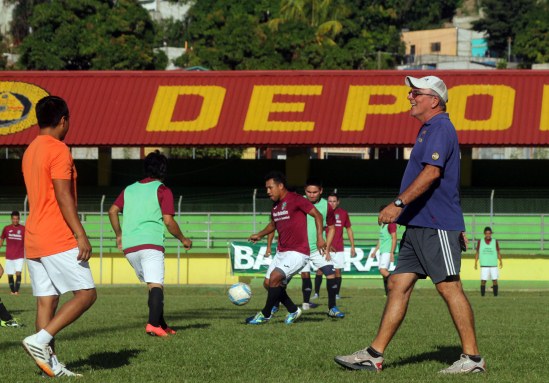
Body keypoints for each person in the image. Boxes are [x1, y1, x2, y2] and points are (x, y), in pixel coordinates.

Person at [334, 75, 486, 374]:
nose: (410, 97)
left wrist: (398, 204)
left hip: (436, 223)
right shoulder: (428, 129)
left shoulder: (440, 127)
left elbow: (432, 174)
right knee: (397, 284)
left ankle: (473, 360)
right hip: (418, 225)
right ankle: (374, 355)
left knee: (449, 286)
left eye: (416, 93)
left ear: (435, 100)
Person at [21, 95, 97, 377]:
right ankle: (39, 341)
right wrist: (80, 234)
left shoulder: (30, 150)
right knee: (87, 294)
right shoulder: (59, 149)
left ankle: (48, 365)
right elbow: (63, 195)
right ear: (63, 120)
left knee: (47, 300)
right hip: (57, 235)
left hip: (34, 237)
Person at [109, 150, 192, 337]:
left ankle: (161, 324)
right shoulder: (162, 190)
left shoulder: (129, 189)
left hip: (130, 248)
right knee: (156, 285)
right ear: (164, 170)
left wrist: (119, 235)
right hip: (150, 244)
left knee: (152, 285)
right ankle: (153, 324)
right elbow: (169, 221)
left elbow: (112, 211)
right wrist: (183, 239)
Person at [246, 171, 325, 325]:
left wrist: (320, 238)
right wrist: (260, 234)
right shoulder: (275, 206)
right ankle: (293, 310)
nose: (268, 191)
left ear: (280, 186)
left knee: (275, 278)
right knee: (268, 284)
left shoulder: (296, 199)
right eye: (266, 188)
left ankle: (265, 314)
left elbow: (317, 215)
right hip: (281, 252)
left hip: (298, 252)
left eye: (270, 188)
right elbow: (273, 224)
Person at [313, 192, 356, 301]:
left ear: (338, 202)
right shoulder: (322, 212)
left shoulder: (343, 213)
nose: (331, 203)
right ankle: (316, 293)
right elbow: (318, 230)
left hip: (338, 249)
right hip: (325, 248)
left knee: (337, 271)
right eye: (329, 201)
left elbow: (349, 229)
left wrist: (352, 246)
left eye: (334, 201)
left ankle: (336, 294)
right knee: (320, 270)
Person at [370, 205, 397, 296]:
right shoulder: (382, 225)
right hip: (383, 251)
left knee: (383, 270)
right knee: (383, 272)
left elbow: (394, 238)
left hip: (387, 251)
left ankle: (396, 284)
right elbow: (381, 240)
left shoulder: (391, 224)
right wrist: (375, 251)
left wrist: (392, 253)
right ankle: (388, 293)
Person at [0, 211, 26, 295]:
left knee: (18, 272)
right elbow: (2, 239)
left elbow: (28, 240)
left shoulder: (23, 229)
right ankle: (12, 290)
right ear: (11, 219)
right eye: (14, 219)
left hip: (19, 255)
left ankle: (16, 291)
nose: (15, 220)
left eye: (17, 219)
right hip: (9, 255)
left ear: (19, 219)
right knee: (10, 274)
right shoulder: (7, 228)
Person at [474, 226, 502, 297]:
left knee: (495, 280)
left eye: (489, 233)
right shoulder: (480, 241)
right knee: (483, 281)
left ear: (491, 234)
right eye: (487, 233)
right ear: (484, 234)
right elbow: (477, 253)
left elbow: (498, 252)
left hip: (493, 265)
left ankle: (495, 295)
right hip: (484, 265)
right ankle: (482, 295)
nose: (488, 235)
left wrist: (501, 261)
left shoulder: (495, 241)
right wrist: (475, 262)